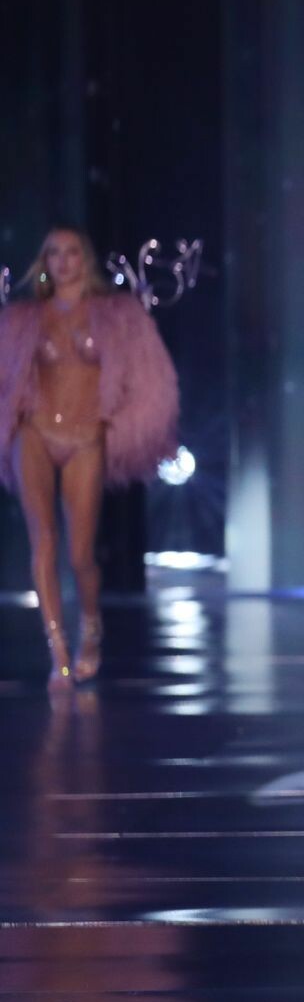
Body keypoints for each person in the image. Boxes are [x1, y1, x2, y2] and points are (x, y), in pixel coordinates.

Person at [0, 226, 178, 687]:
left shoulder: (116, 317)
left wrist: (114, 423)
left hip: (86, 437)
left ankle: (91, 628)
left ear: (86, 259)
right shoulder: (23, 320)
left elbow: (148, 379)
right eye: (53, 253)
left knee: (81, 554)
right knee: (43, 540)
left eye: (72, 252)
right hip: (34, 431)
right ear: (44, 262)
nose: (63, 261)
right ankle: (57, 647)